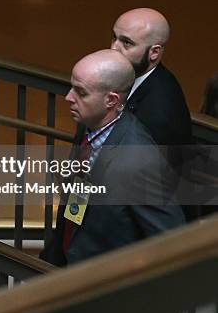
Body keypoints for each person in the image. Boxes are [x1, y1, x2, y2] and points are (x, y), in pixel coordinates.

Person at [40, 49, 184, 267]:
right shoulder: (89, 127)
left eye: (81, 92)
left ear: (111, 100)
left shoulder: (139, 160)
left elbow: (171, 240)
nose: (68, 97)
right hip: (70, 268)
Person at [110, 7, 194, 219]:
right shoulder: (124, 78)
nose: (113, 49)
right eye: (114, 38)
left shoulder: (160, 111)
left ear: (154, 52)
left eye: (126, 43)